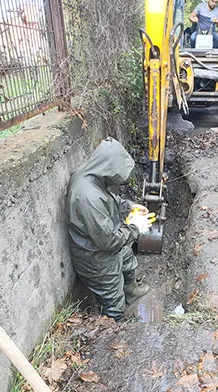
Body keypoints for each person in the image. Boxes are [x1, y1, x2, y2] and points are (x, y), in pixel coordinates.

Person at [66, 137, 151, 321]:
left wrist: (130, 206)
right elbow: (109, 241)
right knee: (112, 299)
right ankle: (116, 324)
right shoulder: (88, 198)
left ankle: (131, 290)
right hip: (96, 258)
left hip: (103, 242)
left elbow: (109, 200)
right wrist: (135, 227)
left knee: (127, 255)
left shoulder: (89, 175)